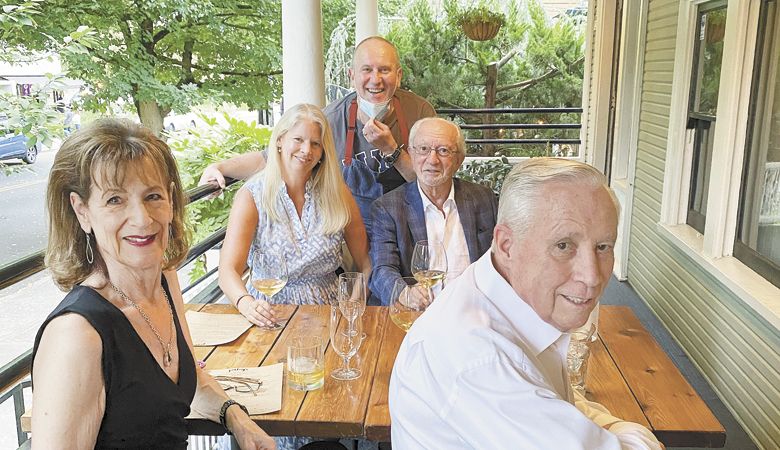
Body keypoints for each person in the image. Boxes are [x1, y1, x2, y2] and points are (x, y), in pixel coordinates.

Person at [32, 119, 275, 449]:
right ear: (82, 211)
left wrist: (237, 419)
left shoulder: (164, 279)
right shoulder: (76, 335)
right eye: (115, 200)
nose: (143, 219)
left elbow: (185, 381)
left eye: (153, 196)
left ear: (172, 201)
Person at [389, 158, 663, 450]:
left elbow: (559, 403)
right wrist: (633, 435)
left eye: (603, 247)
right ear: (507, 244)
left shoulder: (499, 296)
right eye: (563, 246)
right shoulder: (477, 359)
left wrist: (609, 431)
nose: (593, 276)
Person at [199, 36, 436, 233]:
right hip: (351, 232)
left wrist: (391, 150)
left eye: (384, 70)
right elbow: (274, 156)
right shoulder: (330, 119)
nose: (375, 79)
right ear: (351, 75)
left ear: (399, 75)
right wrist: (220, 167)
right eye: (367, 70)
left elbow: (434, 184)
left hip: (410, 228)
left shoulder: (421, 113)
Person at [218, 103, 370, 327]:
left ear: (322, 152)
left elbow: (366, 261)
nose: (306, 150)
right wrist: (246, 304)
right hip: (267, 315)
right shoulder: (253, 196)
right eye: (298, 140)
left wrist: (354, 305)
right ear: (280, 140)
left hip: (328, 316)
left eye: (315, 144)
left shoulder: (338, 194)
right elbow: (227, 271)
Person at [369, 118, 497, 306]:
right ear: (411, 154)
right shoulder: (388, 207)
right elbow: (382, 269)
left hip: (474, 311)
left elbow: (502, 259)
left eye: (443, 151)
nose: (432, 160)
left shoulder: (483, 199)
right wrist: (406, 294)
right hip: (419, 314)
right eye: (423, 149)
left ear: (458, 160)